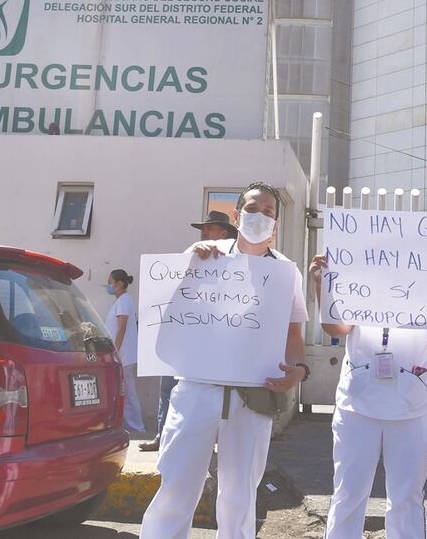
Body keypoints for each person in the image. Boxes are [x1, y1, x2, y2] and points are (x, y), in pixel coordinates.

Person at [141, 182, 308, 539]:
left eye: (268, 212)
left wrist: (299, 370)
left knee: (239, 495)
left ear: (276, 223)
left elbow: (294, 335)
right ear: (236, 215)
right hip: (196, 389)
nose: (260, 216)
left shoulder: (284, 272)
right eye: (252, 208)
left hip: (252, 396)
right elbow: (165, 305)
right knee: (177, 485)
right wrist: (189, 261)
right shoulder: (205, 254)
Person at [308, 251, 427, 539]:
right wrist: (322, 285)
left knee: (406, 499)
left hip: (412, 409)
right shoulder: (358, 280)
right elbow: (335, 328)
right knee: (348, 494)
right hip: (357, 406)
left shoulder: (425, 286)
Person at [140, 210, 240, 453]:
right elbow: (166, 284)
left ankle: (206, 441)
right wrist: (193, 250)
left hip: (209, 342)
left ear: (224, 233)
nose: (204, 232)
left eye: (210, 228)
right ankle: (162, 436)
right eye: (202, 229)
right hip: (181, 336)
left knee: (209, 393)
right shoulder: (192, 255)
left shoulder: (234, 261)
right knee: (167, 389)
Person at [106, 269, 146, 434]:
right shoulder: (121, 301)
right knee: (125, 392)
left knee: (128, 393)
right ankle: (129, 425)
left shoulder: (124, 301)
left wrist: (115, 351)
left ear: (119, 283)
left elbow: (121, 329)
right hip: (122, 355)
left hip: (123, 356)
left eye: (110, 282)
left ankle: (137, 427)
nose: (108, 285)